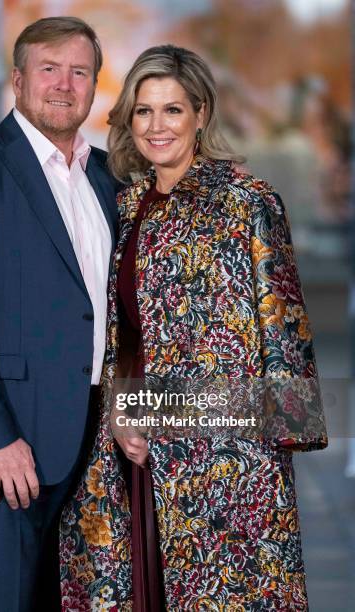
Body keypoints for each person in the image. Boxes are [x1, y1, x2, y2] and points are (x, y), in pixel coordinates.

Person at [59, 45, 328, 610]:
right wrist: (122, 414)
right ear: (128, 119)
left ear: (202, 113)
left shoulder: (247, 202)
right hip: (131, 452)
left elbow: (286, 335)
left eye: (173, 110)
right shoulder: (127, 205)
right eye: (143, 111)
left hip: (226, 464)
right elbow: (121, 335)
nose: (157, 126)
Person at [0, 17, 118, 612]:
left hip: (96, 431)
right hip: (11, 438)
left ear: (93, 85)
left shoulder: (109, 175)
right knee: (1, 599)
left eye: (79, 71)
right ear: (18, 79)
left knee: (65, 598)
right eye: (49, 69)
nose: (64, 84)